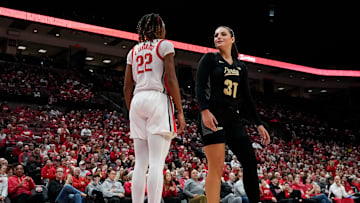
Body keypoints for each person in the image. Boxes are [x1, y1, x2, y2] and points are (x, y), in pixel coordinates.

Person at [195, 25, 270, 203]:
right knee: (216, 167)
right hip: (212, 116)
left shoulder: (240, 66)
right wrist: (204, 111)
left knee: (250, 162)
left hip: (233, 118)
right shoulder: (209, 59)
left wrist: (258, 123)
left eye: (223, 34)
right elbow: (199, 86)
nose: (218, 37)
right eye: (215, 35)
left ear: (232, 39)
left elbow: (247, 98)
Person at [123, 13, 185, 203]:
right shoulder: (164, 45)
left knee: (141, 162)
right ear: (159, 29)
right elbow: (172, 78)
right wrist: (180, 111)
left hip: (137, 100)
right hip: (157, 98)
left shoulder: (133, 51)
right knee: (157, 163)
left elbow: (127, 87)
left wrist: (131, 109)